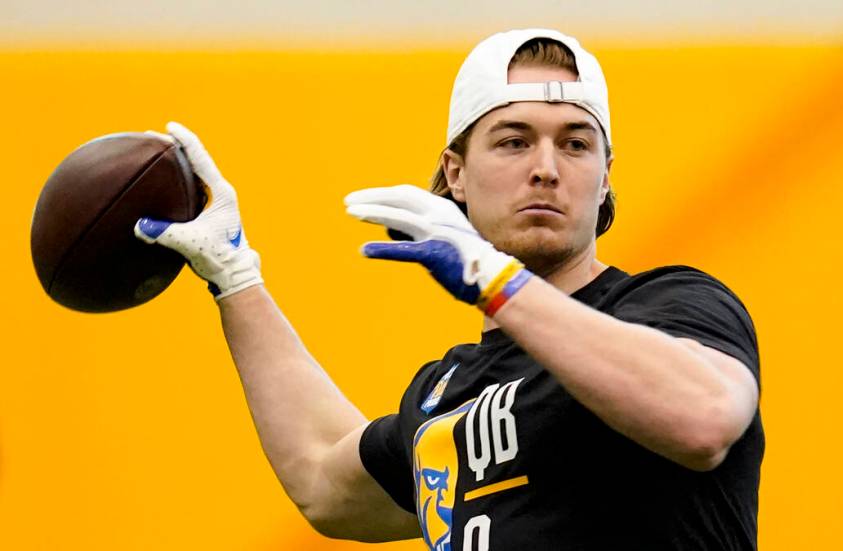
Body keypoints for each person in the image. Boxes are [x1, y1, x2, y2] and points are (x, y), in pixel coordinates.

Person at [135, 28, 763, 550]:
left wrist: (496, 282)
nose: (546, 166)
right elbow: (326, 482)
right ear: (455, 174)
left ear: (603, 179)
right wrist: (235, 277)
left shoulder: (670, 306)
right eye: (514, 141)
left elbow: (704, 418)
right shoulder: (448, 393)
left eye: (575, 144)